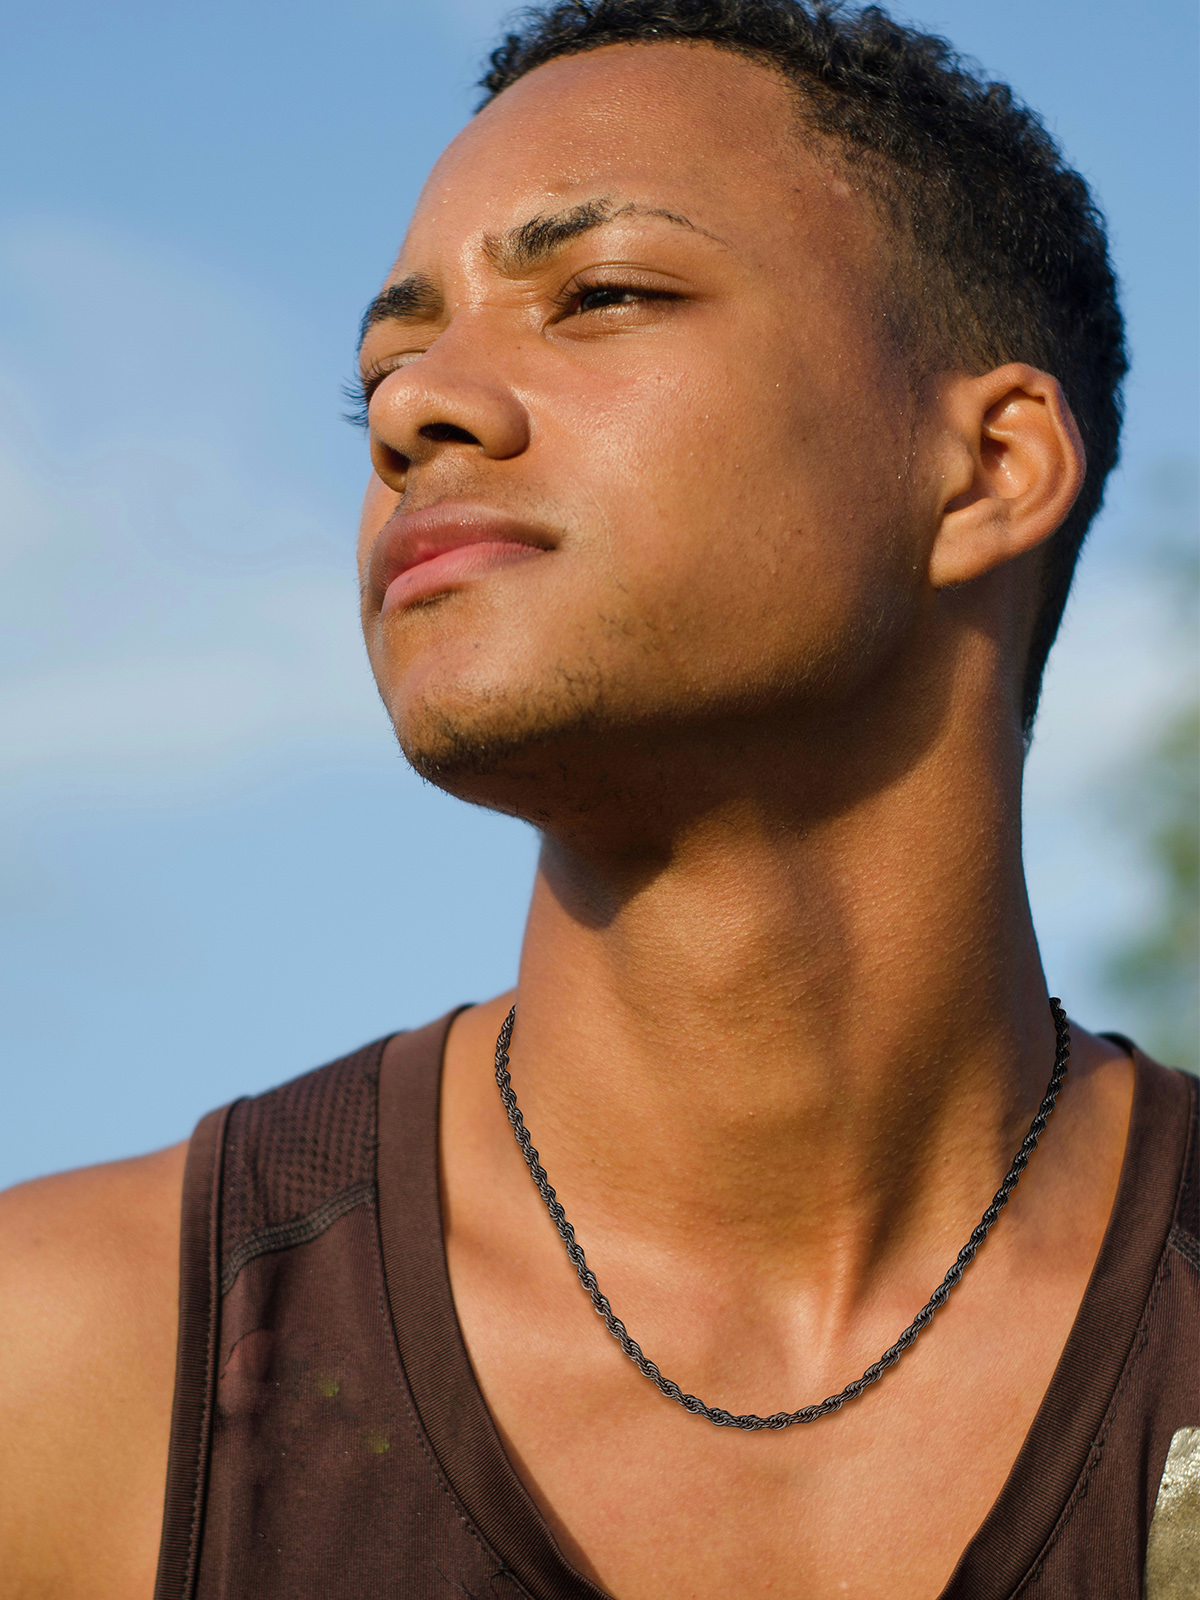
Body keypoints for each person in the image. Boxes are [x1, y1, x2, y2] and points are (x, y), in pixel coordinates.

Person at [1, 3, 1195, 1596]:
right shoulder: (77, 1371)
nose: (423, 409)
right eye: (383, 371)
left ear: (987, 470)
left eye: (603, 294)